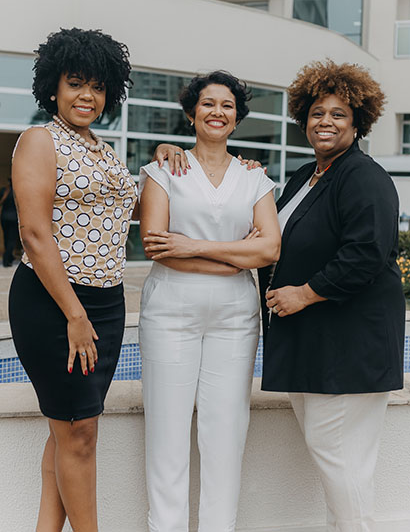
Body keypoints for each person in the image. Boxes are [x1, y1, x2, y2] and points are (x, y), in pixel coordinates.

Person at [259, 60, 406, 532]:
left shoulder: (363, 176)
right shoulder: (306, 176)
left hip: (349, 344)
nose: (326, 121)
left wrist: (304, 293)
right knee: (337, 459)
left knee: (338, 456)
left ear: (358, 122)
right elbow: (274, 238)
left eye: (339, 114)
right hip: (315, 342)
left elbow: (367, 253)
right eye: (317, 113)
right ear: (303, 119)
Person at [138, 70, 281, 532]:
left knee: (226, 434)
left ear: (236, 118)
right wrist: (235, 258)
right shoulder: (163, 171)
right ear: (191, 113)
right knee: (167, 435)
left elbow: (269, 249)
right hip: (170, 313)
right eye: (208, 103)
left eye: (227, 106)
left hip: (235, 318)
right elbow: (157, 246)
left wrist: (194, 246)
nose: (217, 112)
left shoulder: (254, 178)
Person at [9, 27, 136, 532]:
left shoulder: (103, 149)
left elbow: (122, 210)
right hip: (55, 301)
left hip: (106, 301)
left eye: (98, 87)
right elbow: (35, 234)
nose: (87, 96)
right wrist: (75, 314)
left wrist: (170, 152)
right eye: (76, 83)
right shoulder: (40, 141)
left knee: (68, 429)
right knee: (79, 432)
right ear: (54, 87)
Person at [0, 177, 18, 266]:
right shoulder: (16, 192)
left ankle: (9, 257)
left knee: (6, 238)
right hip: (14, 218)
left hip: (4, 217)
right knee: (12, 239)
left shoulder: (4, 191)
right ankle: (6, 258)